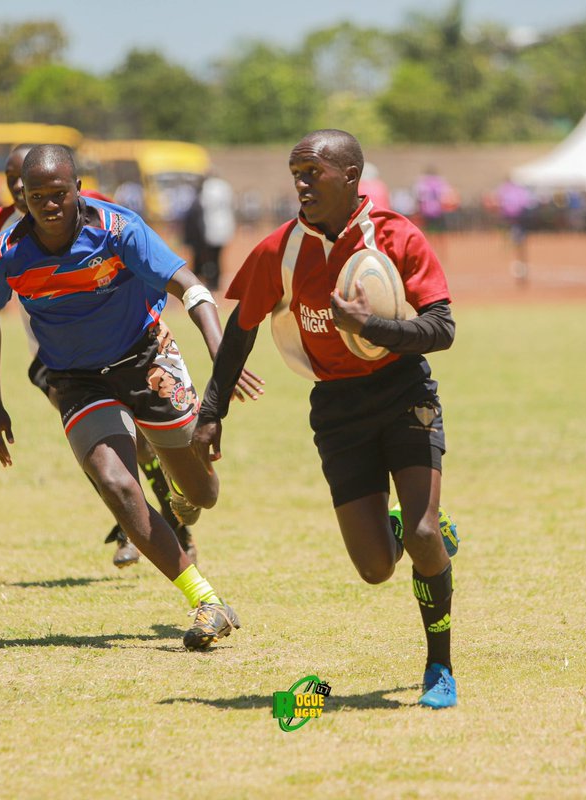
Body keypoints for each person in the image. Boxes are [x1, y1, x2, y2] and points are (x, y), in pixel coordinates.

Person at [193, 129, 461, 709]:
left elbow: (442, 328)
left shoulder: (397, 235)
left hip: (403, 391)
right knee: (374, 569)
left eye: (313, 172)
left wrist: (371, 327)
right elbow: (241, 329)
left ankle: (439, 665)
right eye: (296, 174)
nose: (302, 183)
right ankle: (408, 532)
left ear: (350, 176)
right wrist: (213, 411)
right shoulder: (279, 251)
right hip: (337, 408)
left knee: (425, 536)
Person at [0, 144, 262, 651]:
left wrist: (222, 354)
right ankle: (206, 600)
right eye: (36, 197)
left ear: (78, 188)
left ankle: (181, 494)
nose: (48, 205)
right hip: (76, 378)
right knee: (116, 484)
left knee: (202, 494)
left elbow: (190, 286)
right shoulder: (2, 255)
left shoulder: (117, 229)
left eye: (58, 193)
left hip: (147, 359)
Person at [0, 145, 197, 569]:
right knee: (99, 446)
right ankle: (132, 523)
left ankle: (173, 515)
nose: (20, 189)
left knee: (141, 442)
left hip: (124, 346)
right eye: (15, 181)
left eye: (32, 183)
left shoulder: (92, 215)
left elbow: (134, 244)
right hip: (53, 359)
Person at [183, 171, 235, 291]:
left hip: (209, 227)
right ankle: (215, 282)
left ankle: (211, 282)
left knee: (208, 258)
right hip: (225, 226)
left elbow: (200, 207)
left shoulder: (207, 188)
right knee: (217, 257)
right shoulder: (225, 186)